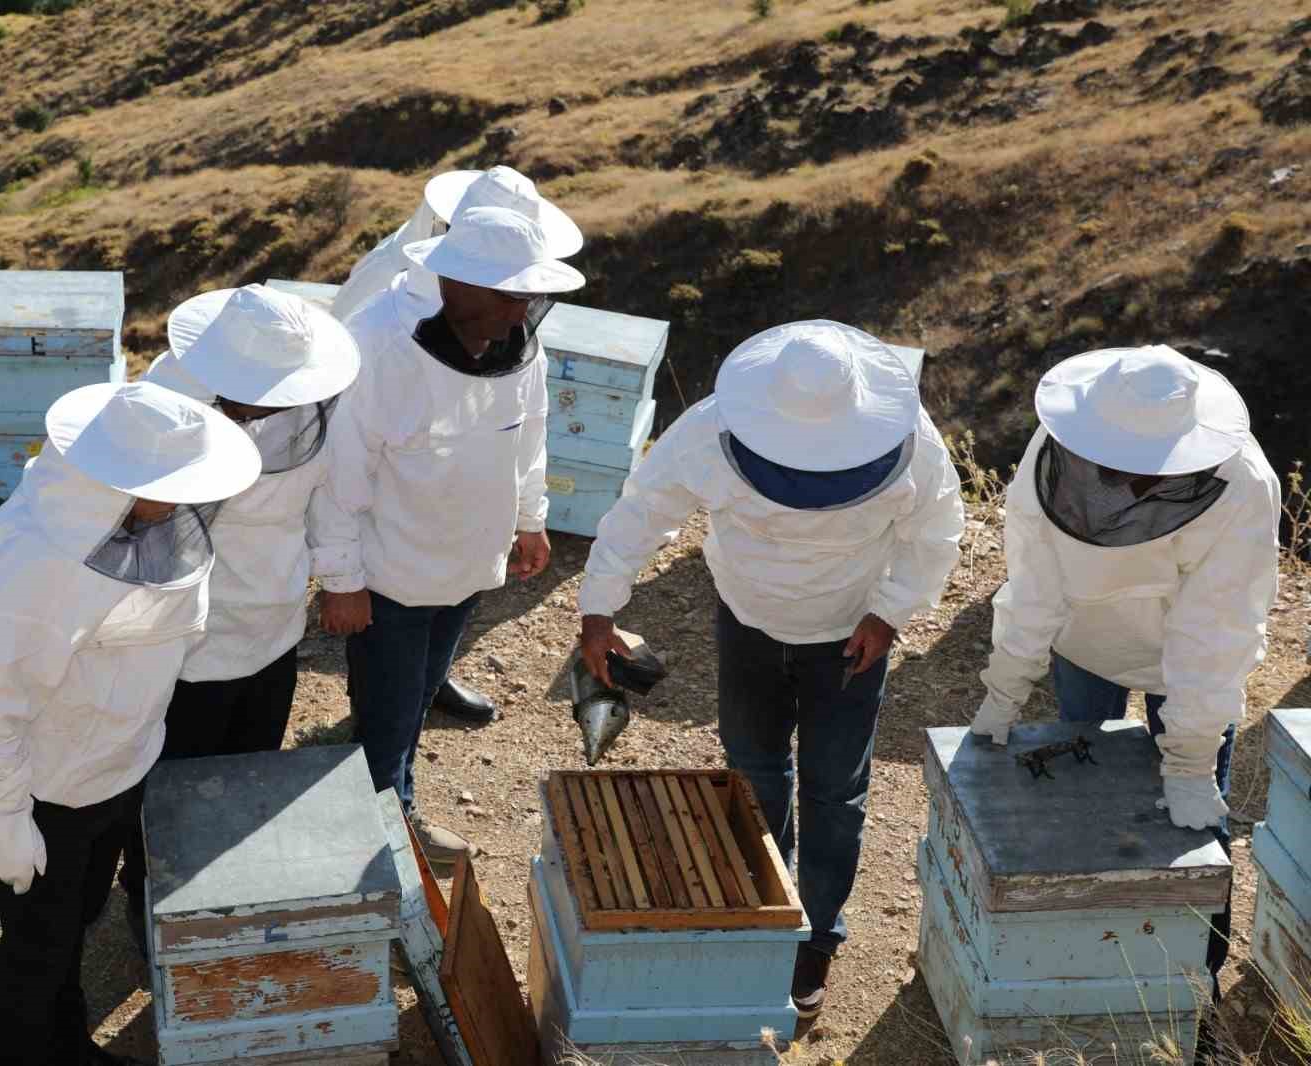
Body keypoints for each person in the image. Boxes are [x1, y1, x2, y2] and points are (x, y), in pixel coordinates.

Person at [575, 321, 964, 1028]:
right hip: (748, 623)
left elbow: (936, 533)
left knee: (834, 792)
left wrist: (890, 615)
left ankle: (814, 937)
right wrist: (598, 609)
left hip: (850, 640)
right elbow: (642, 511)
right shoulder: (711, 431)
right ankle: (763, 904)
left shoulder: (914, 445)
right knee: (753, 768)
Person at [0, 382, 260, 1066]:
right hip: (50, 787)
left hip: (121, 766)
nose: (180, 502)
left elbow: (169, 638)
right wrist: (3, 813)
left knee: (75, 925)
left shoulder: (145, 524)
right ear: (117, 478)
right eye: (168, 486)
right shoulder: (29, 558)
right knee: (36, 947)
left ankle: (65, 1043)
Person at [971, 345, 1279, 1005]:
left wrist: (1192, 760)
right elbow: (1033, 584)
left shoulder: (1243, 485)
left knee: (1196, 821)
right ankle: (1081, 957)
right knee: (1080, 797)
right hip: (1085, 643)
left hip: (1186, 665)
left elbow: (1213, 634)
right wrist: (1004, 691)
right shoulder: (1049, 455)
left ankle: (1197, 976)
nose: (1118, 475)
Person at [320, 205, 584, 871]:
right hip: (391, 572)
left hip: (470, 560)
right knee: (389, 709)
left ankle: (386, 800)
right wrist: (342, 579)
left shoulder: (516, 342)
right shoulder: (380, 345)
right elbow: (340, 474)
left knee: (416, 696)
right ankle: (383, 840)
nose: (522, 316)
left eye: (530, 299)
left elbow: (530, 433)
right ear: (462, 287)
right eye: (511, 298)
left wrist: (530, 518)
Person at [114, 284, 361, 955]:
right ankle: (151, 899)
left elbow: (331, 496)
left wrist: (342, 579)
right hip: (184, 641)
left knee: (247, 771)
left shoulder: (313, 404)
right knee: (167, 782)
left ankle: (222, 886)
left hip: (273, 623)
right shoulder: (160, 405)